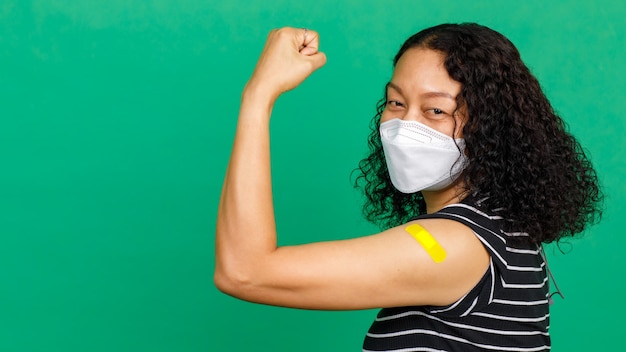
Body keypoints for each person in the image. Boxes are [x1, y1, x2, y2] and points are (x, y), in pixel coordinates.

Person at [214, 23, 602, 351]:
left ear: (492, 127)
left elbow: (244, 271)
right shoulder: (500, 229)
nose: (405, 126)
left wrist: (258, 95)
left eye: (436, 110)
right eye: (396, 103)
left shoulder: (452, 245)